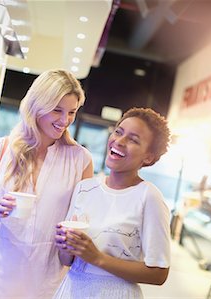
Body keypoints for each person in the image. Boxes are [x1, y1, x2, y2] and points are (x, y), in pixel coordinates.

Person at [0, 69, 94, 298]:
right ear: (36, 105)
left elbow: (80, 223)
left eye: (72, 112)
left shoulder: (80, 160)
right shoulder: (0, 149)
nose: (65, 120)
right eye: (57, 110)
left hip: (43, 288)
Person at [54, 107, 171, 298]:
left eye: (133, 140)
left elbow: (159, 273)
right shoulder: (85, 188)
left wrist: (98, 258)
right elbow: (66, 260)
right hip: (72, 289)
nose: (120, 141)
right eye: (118, 132)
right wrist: (65, 245)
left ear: (148, 157)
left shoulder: (149, 196)